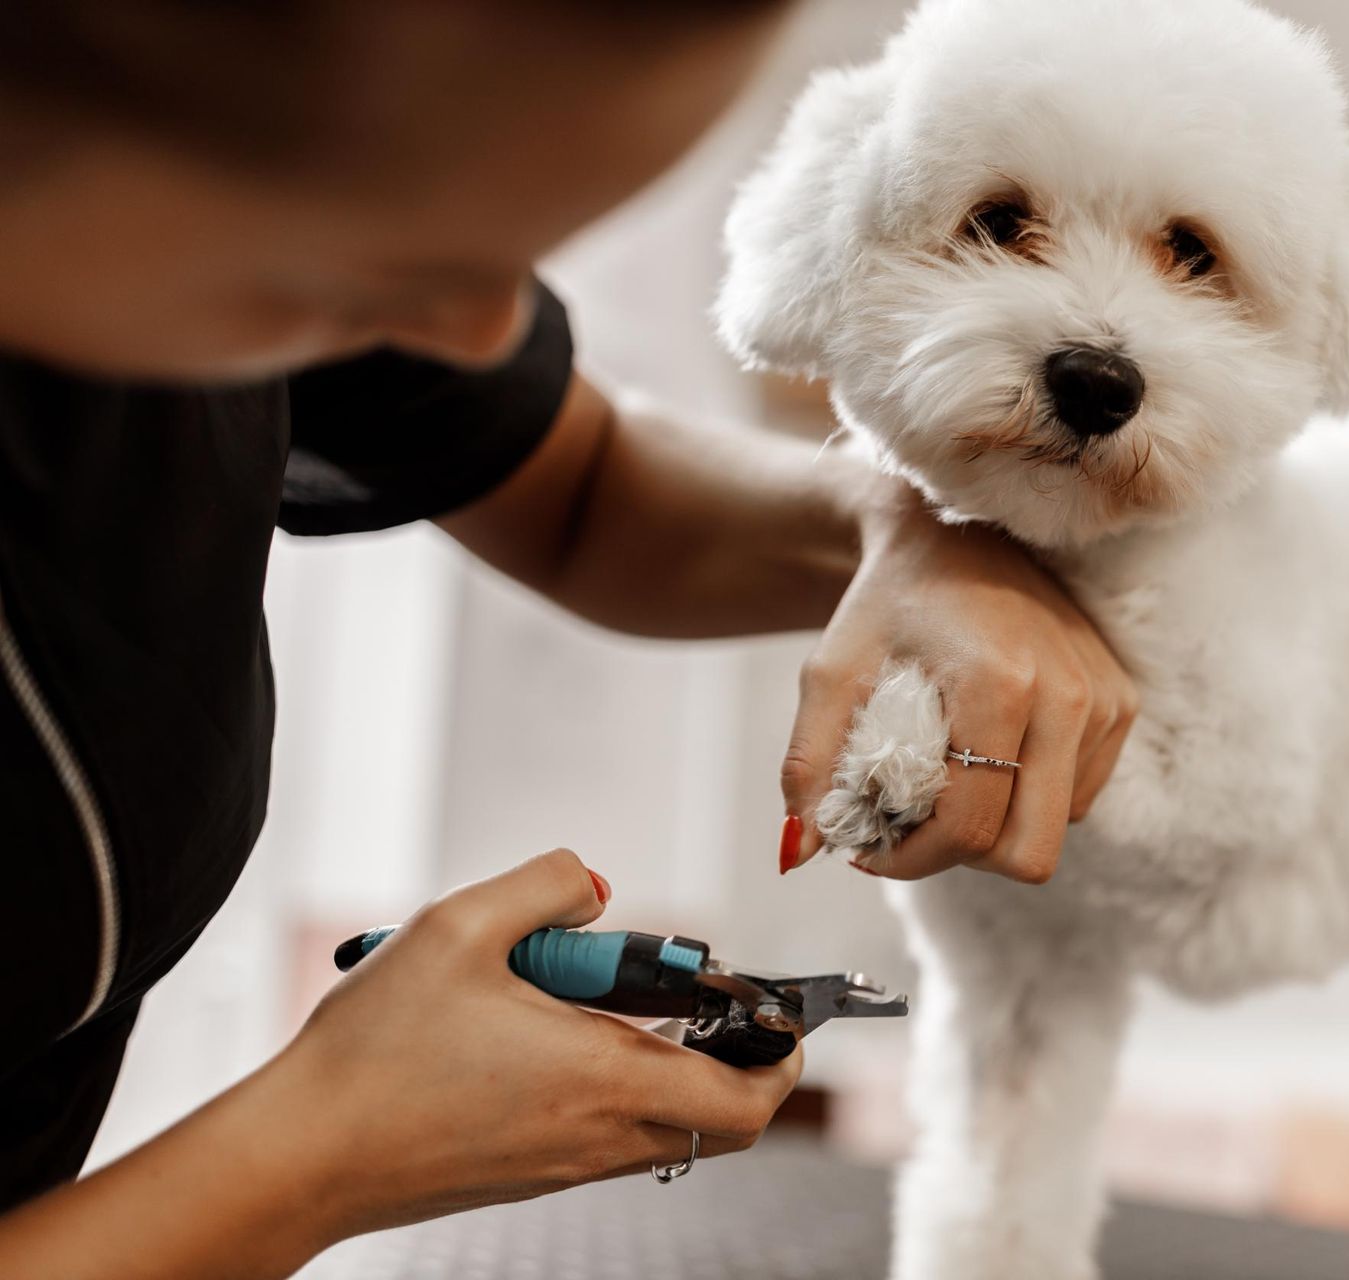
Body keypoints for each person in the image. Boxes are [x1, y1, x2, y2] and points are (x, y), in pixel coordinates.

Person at [0, 2, 1137, 1275]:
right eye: (399, 266)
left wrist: (904, 525)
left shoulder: (197, 219)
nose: (490, 336)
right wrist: (318, 1152)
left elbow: (586, 484)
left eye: (527, 252)